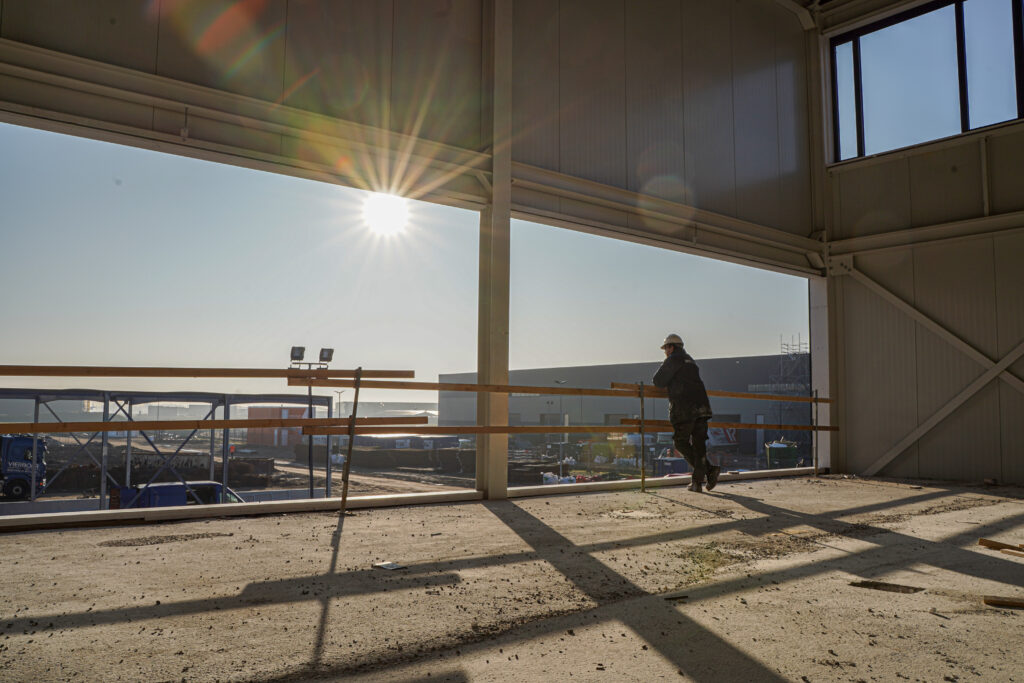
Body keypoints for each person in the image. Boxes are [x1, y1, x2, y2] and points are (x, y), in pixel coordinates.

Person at [652, 334, 721, 492]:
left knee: (680, 442)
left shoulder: (674, 359)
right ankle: (697, 482)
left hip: (686, 409)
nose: (665, 352)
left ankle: (710, 470)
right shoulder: (690, 360)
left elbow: (658, 381)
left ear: (671, 347)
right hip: (702, 408)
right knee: (699, 446)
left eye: (666, 348)